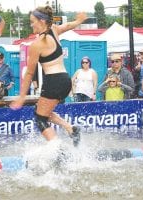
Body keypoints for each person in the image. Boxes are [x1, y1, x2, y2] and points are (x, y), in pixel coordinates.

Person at [10, 6, 86, 145]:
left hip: (53, 82)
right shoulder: (55, 31)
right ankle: (70, 128)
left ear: (42, 21)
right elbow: (68, 25)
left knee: (40, 118)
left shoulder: (37, 44)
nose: (31, 24)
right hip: (65, 81)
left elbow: (29, 73)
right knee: (41, 111)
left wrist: (21, 97)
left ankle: (58, 148)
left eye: (33, 21)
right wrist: (78, 21)